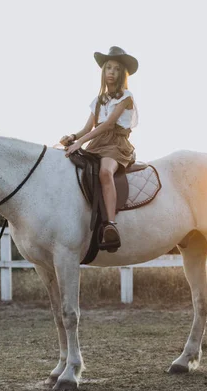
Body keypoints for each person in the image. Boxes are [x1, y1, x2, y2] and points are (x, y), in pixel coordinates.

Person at [62, 46, 139, 252]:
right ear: (103, 72)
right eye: (108, 69)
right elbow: (88, 128)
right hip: (97, 143)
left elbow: (108, 125)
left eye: (116, 69)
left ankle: (111, 224)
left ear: (122, 74)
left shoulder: (126, 97)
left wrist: (80, 143)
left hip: (116, 144)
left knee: (105, 171)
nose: (111, 73)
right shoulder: (97, 101)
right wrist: (72, 137)